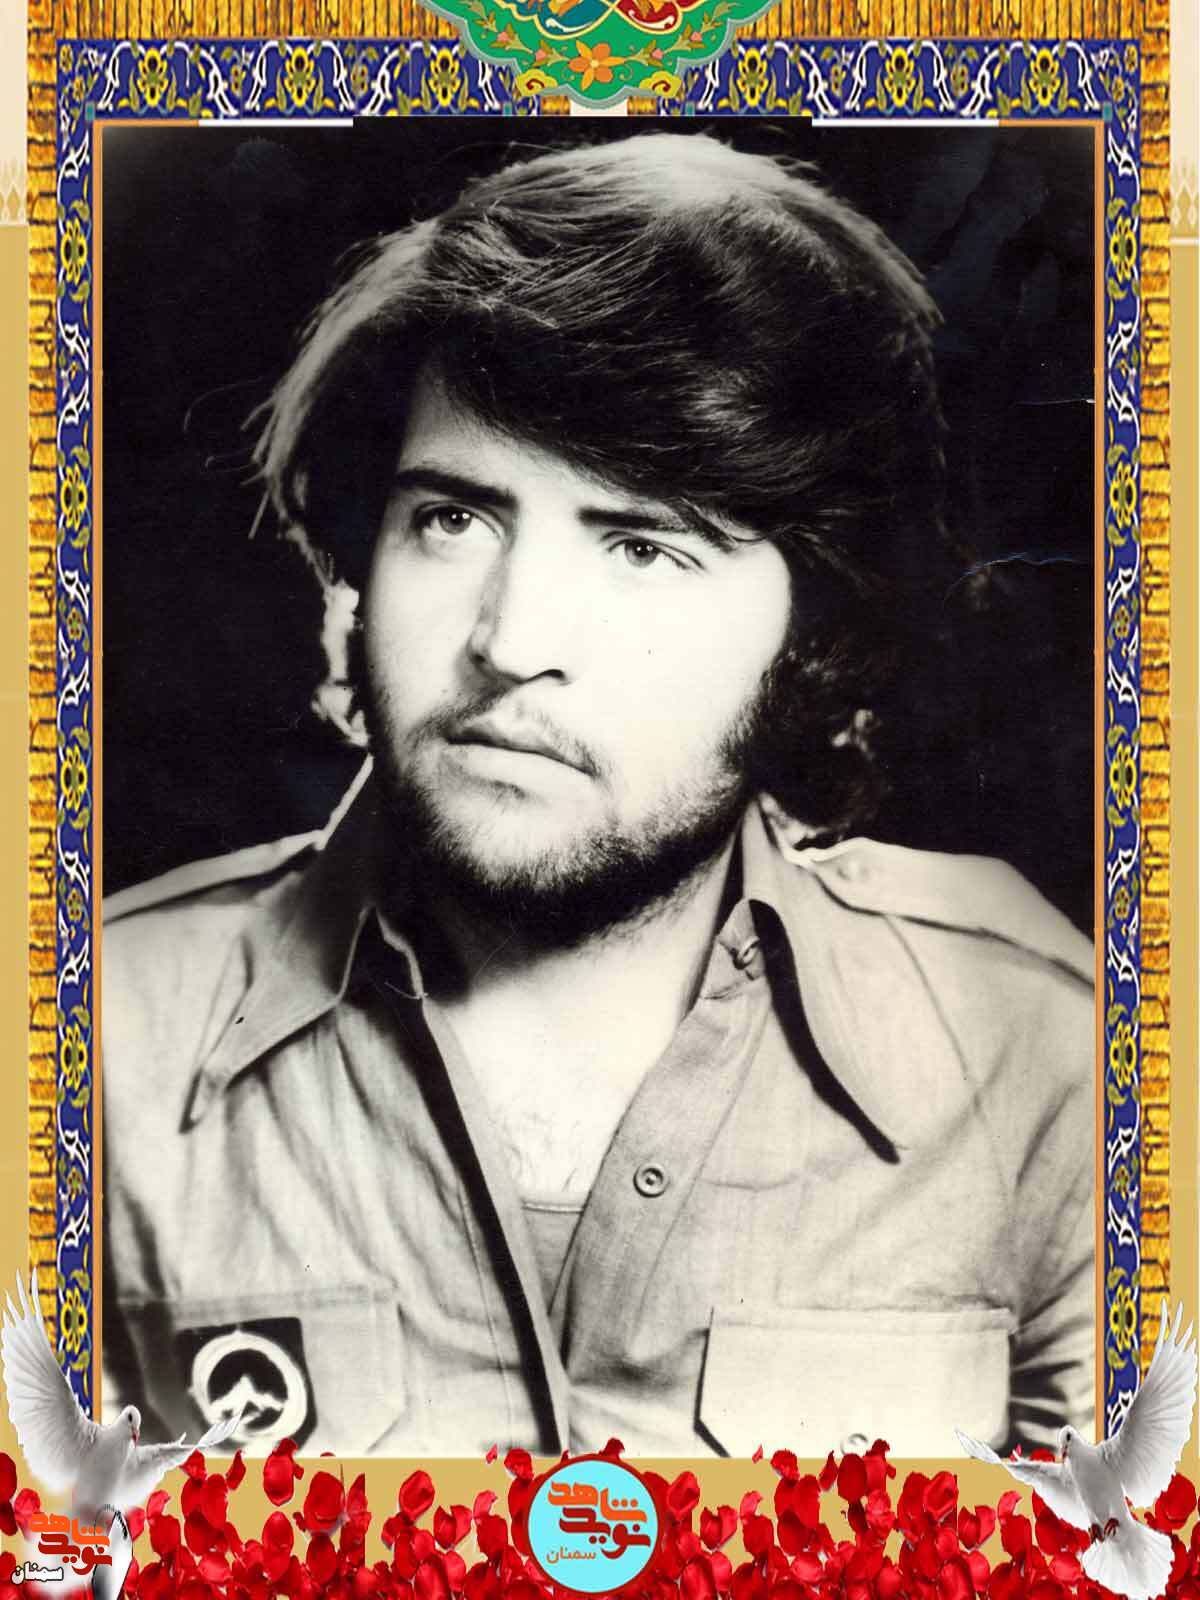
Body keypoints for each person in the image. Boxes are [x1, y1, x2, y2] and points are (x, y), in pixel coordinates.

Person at [102, 131, 1094, 1460]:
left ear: (815, 635)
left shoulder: (1042, 1055)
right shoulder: (93, 1045)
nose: (511, 641)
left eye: (639, 546)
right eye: (453, 519)